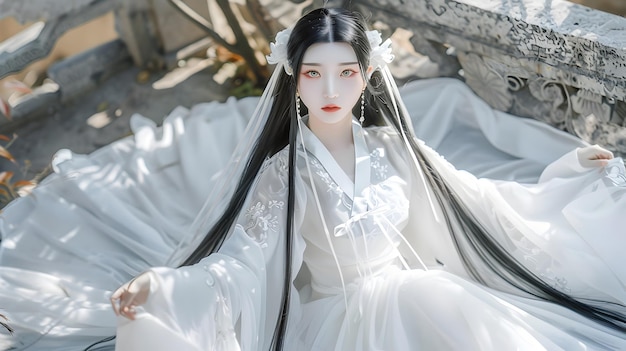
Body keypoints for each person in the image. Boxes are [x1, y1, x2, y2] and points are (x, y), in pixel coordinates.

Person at [0, 7, 624, 351]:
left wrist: (564, 175)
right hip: (341, 320)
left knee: (460, 312)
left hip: (411, 288)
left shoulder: (391, 146)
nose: (330, 90)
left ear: (366, 77)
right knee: (429, 304)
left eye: (346, 74)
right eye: (314, 74)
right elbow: (242, 263)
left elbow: (475, 197)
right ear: (294, 79)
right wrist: (163, 288)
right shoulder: (285, 171)